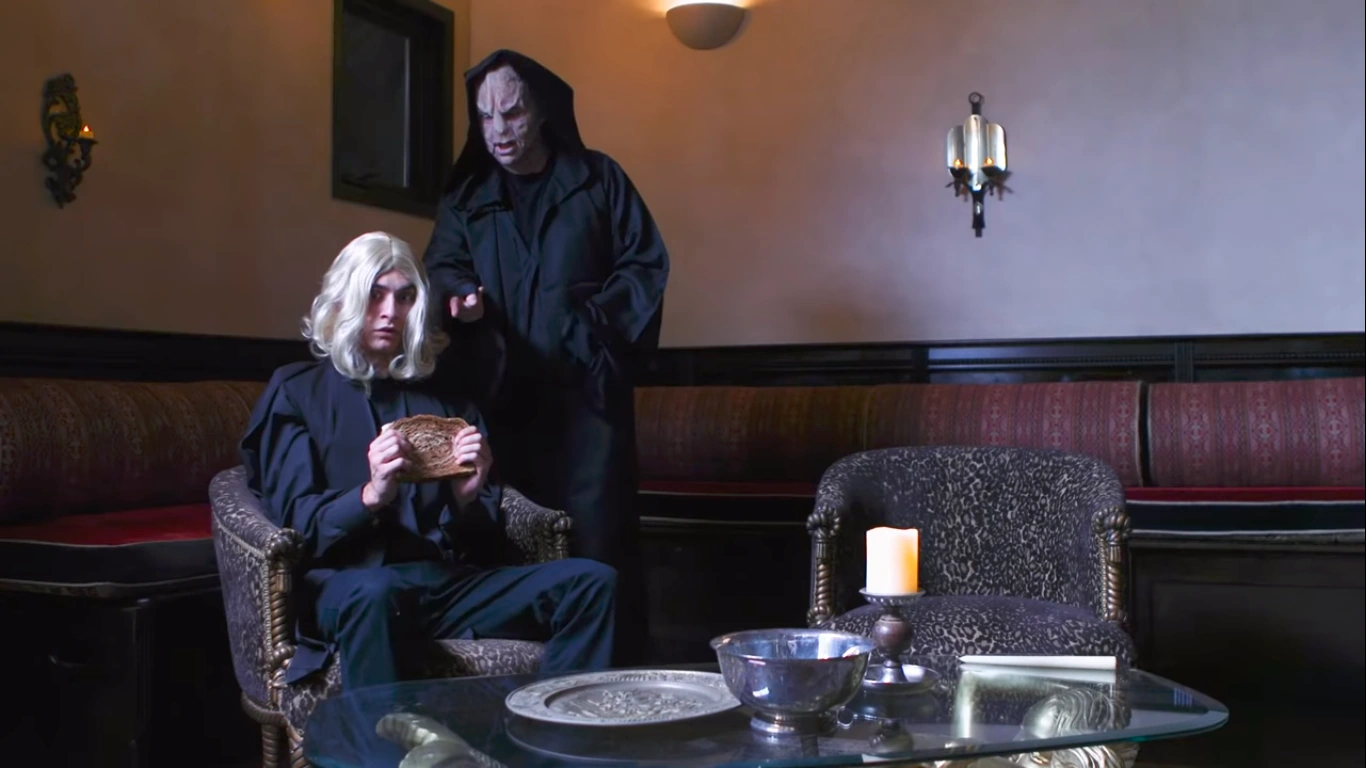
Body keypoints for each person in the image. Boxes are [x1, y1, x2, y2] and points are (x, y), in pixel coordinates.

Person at [240, 231, 617, 692]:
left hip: (441, 584)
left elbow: (480, 541)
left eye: (405, 297)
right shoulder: (296, 393)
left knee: (592, 582)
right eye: (374, 294)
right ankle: (387, 738)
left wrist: (465, 499)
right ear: (343, 299)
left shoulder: (451, 405)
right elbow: (296, 530)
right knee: (373, 593)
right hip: (347, 587)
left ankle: (551, 728)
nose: (390, 312)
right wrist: (371, 495)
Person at [422, 49, 669, 665]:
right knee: (510, 544)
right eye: (485, 117)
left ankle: (614, 685)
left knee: (599, 542)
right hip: (501, 402)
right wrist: (458, 297)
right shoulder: (468, 195)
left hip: (588, 404)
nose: (498, 131)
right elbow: (442, 266)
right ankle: (522, 685)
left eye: (511, 113)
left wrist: (594, 320)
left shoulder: (598, 178)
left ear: (541, 111)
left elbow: (644, 263)